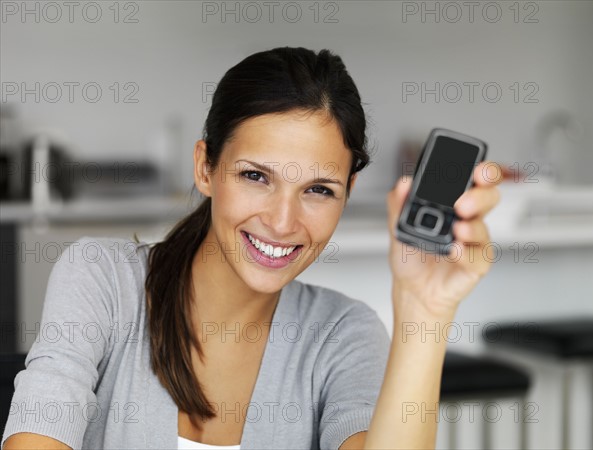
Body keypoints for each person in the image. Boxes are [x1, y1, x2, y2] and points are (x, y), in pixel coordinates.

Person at [2, 46, 501, 450]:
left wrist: (424, 310)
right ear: (206, 168)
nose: (283, 222)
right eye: (255, 176)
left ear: (348, 193)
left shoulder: (342, 336)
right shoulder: (101, 280)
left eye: (319, 189)